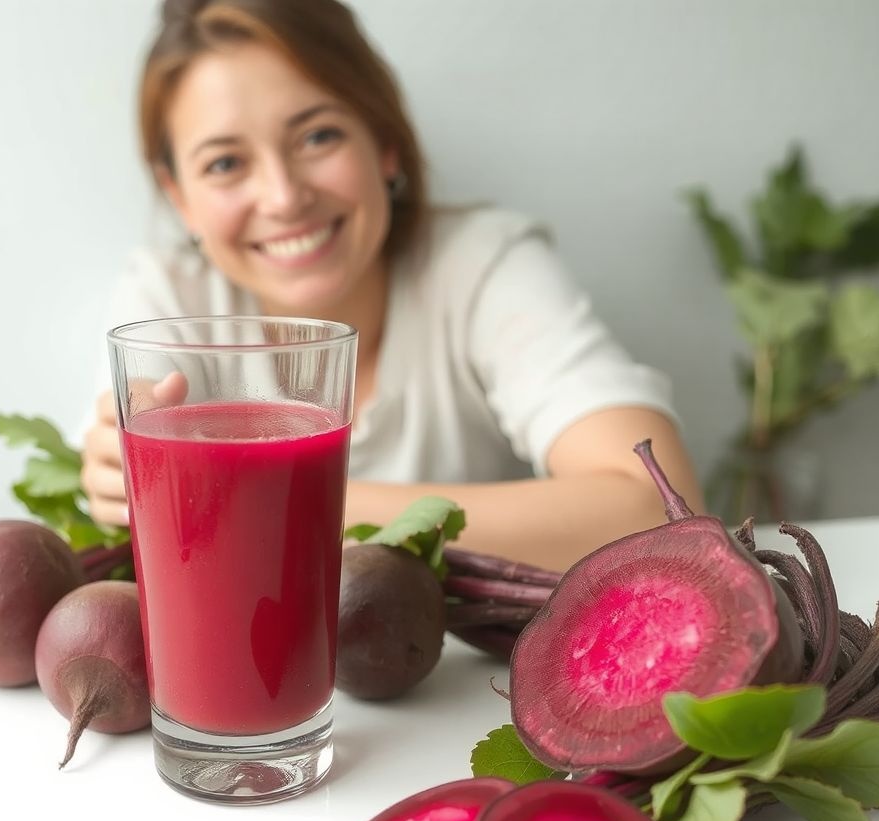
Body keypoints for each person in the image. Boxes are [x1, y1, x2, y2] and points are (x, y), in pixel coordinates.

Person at [81, 0, 705, 572]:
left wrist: (260, 490)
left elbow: (659, 508)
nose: (283, 197)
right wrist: (115, 470)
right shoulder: (168, 301)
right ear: (178, 196)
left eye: (318, 136)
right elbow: (141, 491)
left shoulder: (481, 266)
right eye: (225, 163)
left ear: (385, 143)